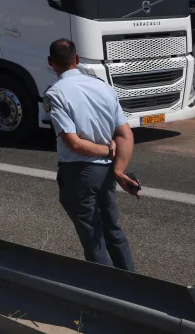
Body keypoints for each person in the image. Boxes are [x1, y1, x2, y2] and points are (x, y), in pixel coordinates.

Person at [45, 38, 140, 271]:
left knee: (92, 236)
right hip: (106, 171)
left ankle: (103, 288)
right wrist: (118, 170)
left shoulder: (55, 93)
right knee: (112, 229)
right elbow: (125, 134)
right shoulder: (103, 87)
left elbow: (74, 143)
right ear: (77, 59)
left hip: (79, 172)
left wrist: (108, 150)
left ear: (50, 62)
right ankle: (132, 283)